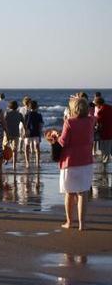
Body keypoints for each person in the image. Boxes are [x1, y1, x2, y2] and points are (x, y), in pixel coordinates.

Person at [52, 97, 95, 230]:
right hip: (86, 161)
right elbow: (93, 112)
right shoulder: (90, 121)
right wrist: (80, 100)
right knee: (83, 193)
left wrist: (55, 136)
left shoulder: (69, 122)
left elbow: (63, 142)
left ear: (73, 109)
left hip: (70, 162)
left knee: (69, 193)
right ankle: (82, 224)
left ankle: (70, 222)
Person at [3, 100, 24, 170]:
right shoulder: (19, 114)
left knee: (5, 147)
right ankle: (14, 165)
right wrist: (26, 130)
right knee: (14, 150)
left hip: (7, 133)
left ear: (9, 106)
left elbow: (3, 123)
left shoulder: (7, 113)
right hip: (16, 133)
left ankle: (6, 159)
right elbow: (24, 124)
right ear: (17, 107)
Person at [24, 100, 44, 168]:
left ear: (29, 107)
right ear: (36, 107)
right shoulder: (39, 115)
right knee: (37, 148)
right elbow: (41, 125)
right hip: (36, 133)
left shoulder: (27, 115)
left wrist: (25, 132)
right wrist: (40, 133)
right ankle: (37, 163)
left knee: (27, 147)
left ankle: (27, 163)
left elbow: (25, 125)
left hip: (28, 133)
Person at [95, 96, 112, 168]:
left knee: (104, 149)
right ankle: (105, 163)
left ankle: (105, 166)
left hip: (104, 132)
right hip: (110, 131)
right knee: (108, 148)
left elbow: (99, 123)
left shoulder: (100, 112)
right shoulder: (110, 108)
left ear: (98, 104)